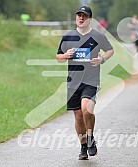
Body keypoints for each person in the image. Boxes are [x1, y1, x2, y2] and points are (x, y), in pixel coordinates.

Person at [56, 6, 114, 160]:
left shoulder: (97, 36)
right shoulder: (68, 36)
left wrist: (102, 59)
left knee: (86, 109)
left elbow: (110, 50)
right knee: (78, 117)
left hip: (91, 80)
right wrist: (66, 55)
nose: (81, 18)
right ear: (76, 18)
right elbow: (58, 57)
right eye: (79, 16)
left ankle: (90, 138)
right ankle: (83, 146)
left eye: (84, 16)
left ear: (90, 19)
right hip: (73, 82)